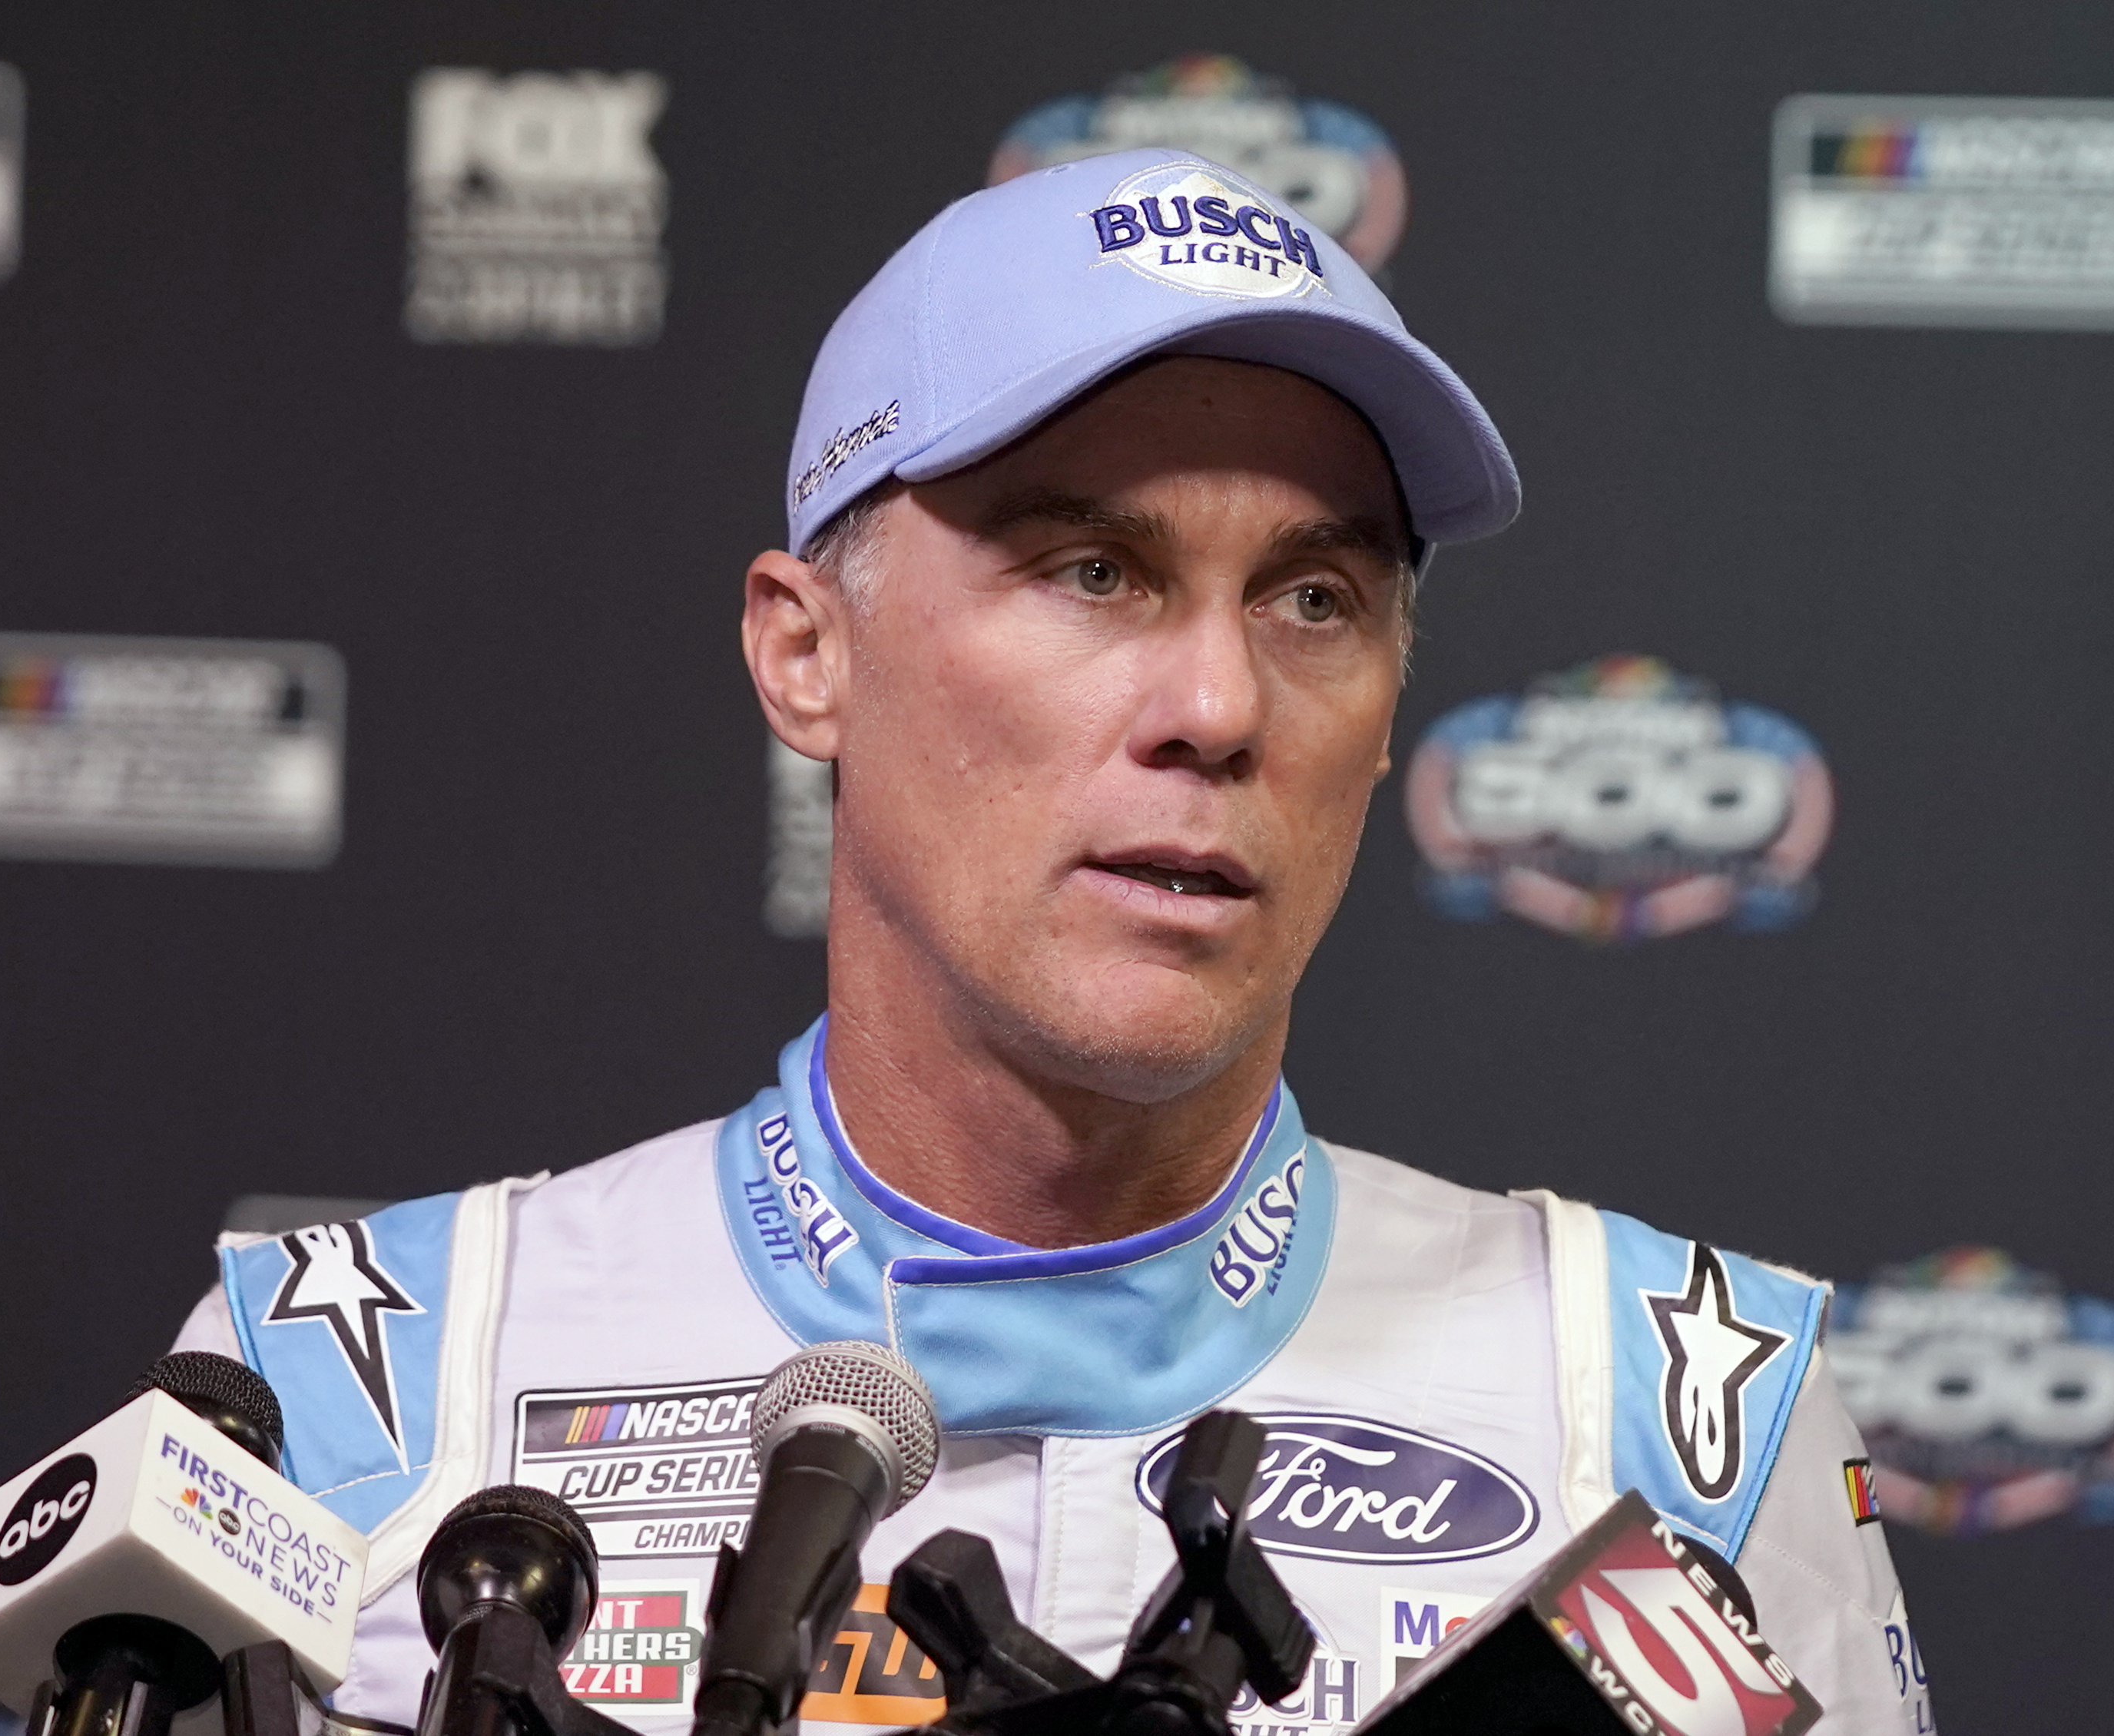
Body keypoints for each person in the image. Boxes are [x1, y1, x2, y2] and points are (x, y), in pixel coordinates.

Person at [173, 147, 1930, 1734]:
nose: (1222, 702)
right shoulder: (350, 1381)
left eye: (1318, 597)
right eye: (1097, 568)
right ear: (808, 652)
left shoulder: (1682, 1408)